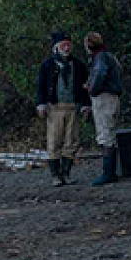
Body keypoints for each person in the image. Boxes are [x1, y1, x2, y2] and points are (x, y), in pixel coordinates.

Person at [36, 32, 91, 186]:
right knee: (54, 141)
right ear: (56, 47)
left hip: (73, 107)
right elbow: (41, 86)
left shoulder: (78, 65)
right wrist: (41, 104)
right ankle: (55, 175)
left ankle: (66, 173)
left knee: (71, 141)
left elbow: (84, 87)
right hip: (55, 108)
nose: (66, 48)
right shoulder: (47, 65)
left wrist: (86, 106)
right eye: (63, 45)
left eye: (68, 45)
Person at [84, 32, 123, 186]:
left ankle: (109, 173)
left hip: (104, 97)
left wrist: (91, 88)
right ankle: (110, 171)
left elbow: (100, 75)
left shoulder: (100, 57)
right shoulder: (109, 56)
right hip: (111, 97)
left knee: (106, 134)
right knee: (109, 132)